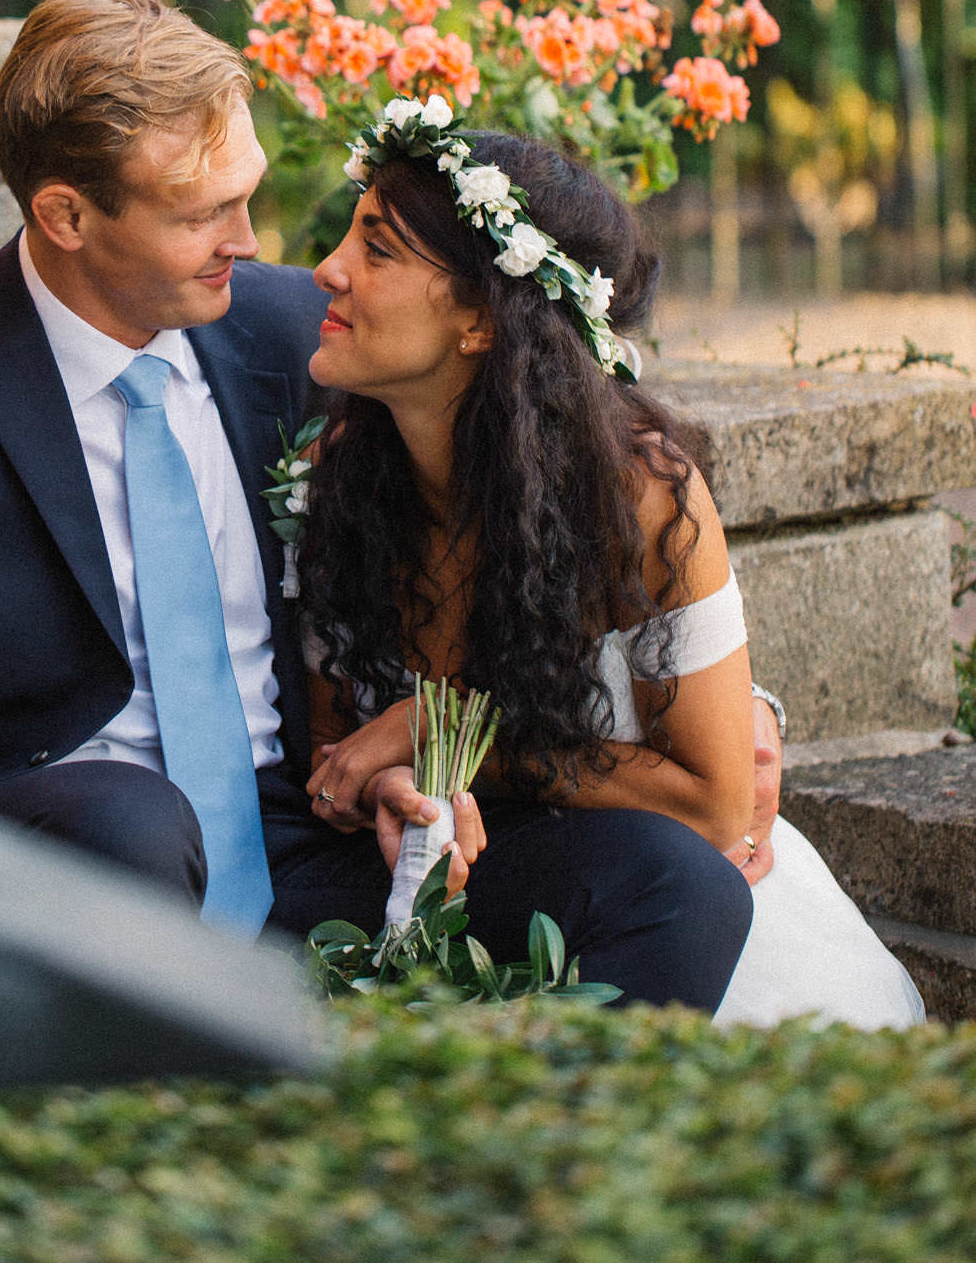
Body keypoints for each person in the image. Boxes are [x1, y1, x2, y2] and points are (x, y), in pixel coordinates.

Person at [0, 0, 753, 1088]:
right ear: (67, 216)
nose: (254, 243)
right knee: (129, 816)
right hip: (37, 859)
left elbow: (526, 491)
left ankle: (521, 1182)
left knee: (676, 886)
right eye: (203, 211)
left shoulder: (284, 334)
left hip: (295, 850)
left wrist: (688, 708)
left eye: (248, 196)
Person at [297, 101, 924, 1030]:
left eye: (378, 250)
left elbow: (715, 810)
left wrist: (452, 735)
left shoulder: (640, 497)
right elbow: (332, 759)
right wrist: (394, 784)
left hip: (638, 881)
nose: (326, 270)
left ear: (481, 321)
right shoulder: (337, 471)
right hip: (437, 878)